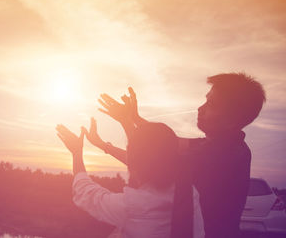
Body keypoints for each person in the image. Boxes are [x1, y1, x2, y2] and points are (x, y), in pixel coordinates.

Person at [91, 72, 266, 238]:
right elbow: (168, 141)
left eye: (211, 105)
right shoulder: (227, 145)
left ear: (232, 121)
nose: (200, 108)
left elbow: (144, 161)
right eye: (206, 100)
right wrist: (134, 119)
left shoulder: (218, 155)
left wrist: (106, 140)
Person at [56, 122, 205, 238]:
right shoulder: (190, 191)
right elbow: (150, 160)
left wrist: (76, 152)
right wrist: (103, 145)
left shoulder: (134, 206)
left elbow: (86, 193)